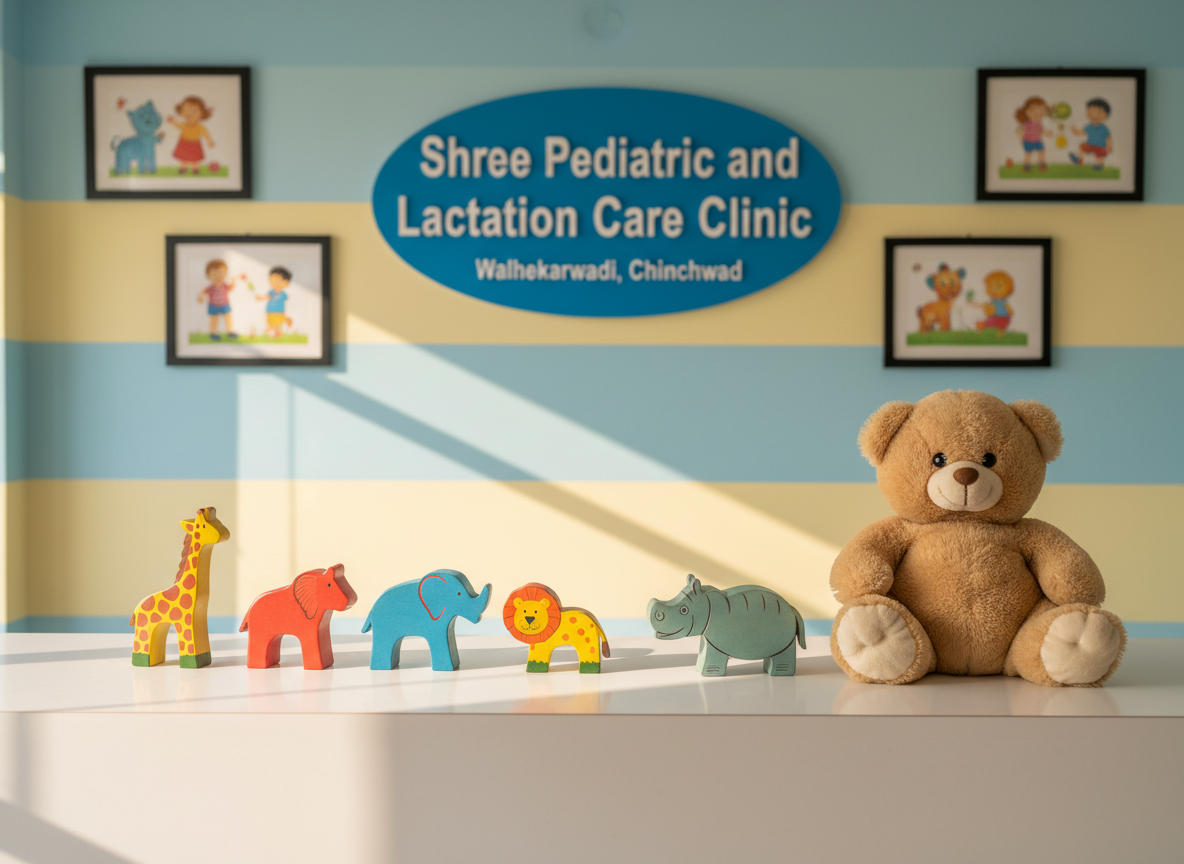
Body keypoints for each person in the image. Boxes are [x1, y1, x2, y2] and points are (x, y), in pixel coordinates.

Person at [168, 96, 214, 174]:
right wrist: (172, 122)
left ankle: (195, 169)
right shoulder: (184, 125)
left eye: (194, 111)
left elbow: (206, 134)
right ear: (181, 111)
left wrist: (209, 141)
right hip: (184, 143)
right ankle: (183, 168)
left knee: (195, 159)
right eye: (186, 110)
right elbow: (178, 125)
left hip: (195, 144)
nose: (189, 114)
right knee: (183, 158)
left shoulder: (200, 127)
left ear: (201, 113)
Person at [197, 259, 237, 340]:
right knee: (214, 319)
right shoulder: (210, 288)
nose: (218, 277)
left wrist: (233, 281)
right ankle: (213, 333)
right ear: (208, 276)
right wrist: (200, 297)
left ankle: (230, 331)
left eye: (221, 273)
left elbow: (231, 288)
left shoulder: (225, 285)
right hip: (213, 305)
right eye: (215, 274)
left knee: (228, 317)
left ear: (225, 274)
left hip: (225, 304)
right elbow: (202, 293)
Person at [1069, 98, 1113, 170]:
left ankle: (1099, 165)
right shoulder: (1089, 126)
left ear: (1104, 116)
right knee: (1082, 147)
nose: (1090, 114)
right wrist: (1075, 131)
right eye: (1089, 112)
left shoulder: (1104, 128)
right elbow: (1082, 132)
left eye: (1094, 112)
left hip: (1100, 146)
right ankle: (1079, 160)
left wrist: (1109, 147)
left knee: (1099, 156)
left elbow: (1108, 137)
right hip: (1090, 144)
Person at [1014, 96, 1052, 172]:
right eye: (1034, 110)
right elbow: (1021, 130)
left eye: (1041, 110)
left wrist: (1047, 133)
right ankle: (1026, 167)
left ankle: (1042, 164)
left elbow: (1042, 130)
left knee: (1041, 153)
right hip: (1028, 141)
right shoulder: (1027, 123)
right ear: (1027, 111)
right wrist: (1020, 135)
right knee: (1028, 155)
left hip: (1038, 141)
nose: (1038, 113)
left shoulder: (1039, 123)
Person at [257, 266, 294, 338]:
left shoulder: (283, 294)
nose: (274, 281)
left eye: (277, 279)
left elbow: (286, 299)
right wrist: (260, 298)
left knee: (278, 323)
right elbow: (266, 297)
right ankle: (271, 330)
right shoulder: (271, 292)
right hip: (270, 312)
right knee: (270, 322)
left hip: (280, 312)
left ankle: (279, 330)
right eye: (272, 279)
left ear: (286, 283)